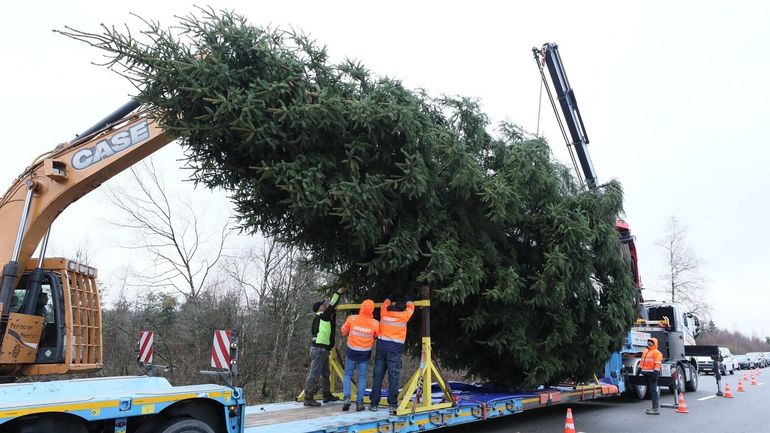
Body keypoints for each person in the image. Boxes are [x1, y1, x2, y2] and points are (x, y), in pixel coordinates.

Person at [369, 295, 415, 413]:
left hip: (381, 349)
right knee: (393, 379)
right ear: (402, 309)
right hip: (394, 351)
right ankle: (392, 405)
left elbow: (385, 303)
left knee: (377, 377)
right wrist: (408, 299)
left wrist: (389, 298)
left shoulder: (384, 313)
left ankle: (374, 404)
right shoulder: (404, 316)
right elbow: (411, 307)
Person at [303, 286, 346, 407]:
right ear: (320, 308)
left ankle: (327, 394)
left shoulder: (319, 319)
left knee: (326, 373)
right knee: (314, 374)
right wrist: (338, 293)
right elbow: (332, 305)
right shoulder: (323, 316)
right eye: (323, 305)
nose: (325, 305)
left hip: (322, 350)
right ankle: (308, 398)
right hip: (319, 350)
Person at [340, 299, 379, 412]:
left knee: (347, 374)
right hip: (365, 353)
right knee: (362, 377)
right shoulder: (375, 323)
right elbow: (376, 335)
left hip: (351, 351)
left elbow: (343, 331)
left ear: (361, 307)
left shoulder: (352, 318)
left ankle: (347, 398)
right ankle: (359, 403)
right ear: (372, 310)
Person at [640, 337, 663, 415]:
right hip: (646, 373)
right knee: (651, 391)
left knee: (653, 391)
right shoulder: (645, 351)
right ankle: (654, 407)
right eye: (649, 341)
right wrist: (639, 370)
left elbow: (657, 364)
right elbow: (642, 362)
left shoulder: (657, 353)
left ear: (655, 343)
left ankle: (655, 408)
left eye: (651, 342)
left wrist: (655, 373)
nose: (649, 343)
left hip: (653, 374)